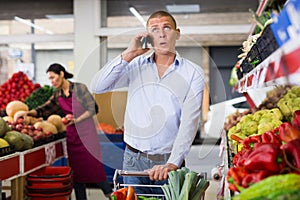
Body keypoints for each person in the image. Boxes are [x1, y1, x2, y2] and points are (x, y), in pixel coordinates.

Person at [91, 10, 205, 195]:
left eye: (167, 27)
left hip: (169, 161)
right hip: (132, 159)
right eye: (154, 29)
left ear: (177, 33)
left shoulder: (193, 73)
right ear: (149, 36)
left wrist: (173, 163)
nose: (161, 33)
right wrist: (129, 54)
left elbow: (189, 122)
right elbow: (98, 86)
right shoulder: (135, 65)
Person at [15, 63, 112, 199]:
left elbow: (93, 109)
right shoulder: (57, 95)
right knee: (77, 173)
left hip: (87, 135)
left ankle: (113, 195)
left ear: (61, 74)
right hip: (72, 137)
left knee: (94, 168)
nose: (52, 81)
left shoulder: (79, 88)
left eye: (53, 77)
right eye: (49, 79)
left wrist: (77, 119)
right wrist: (27, 112)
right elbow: (44, 109)